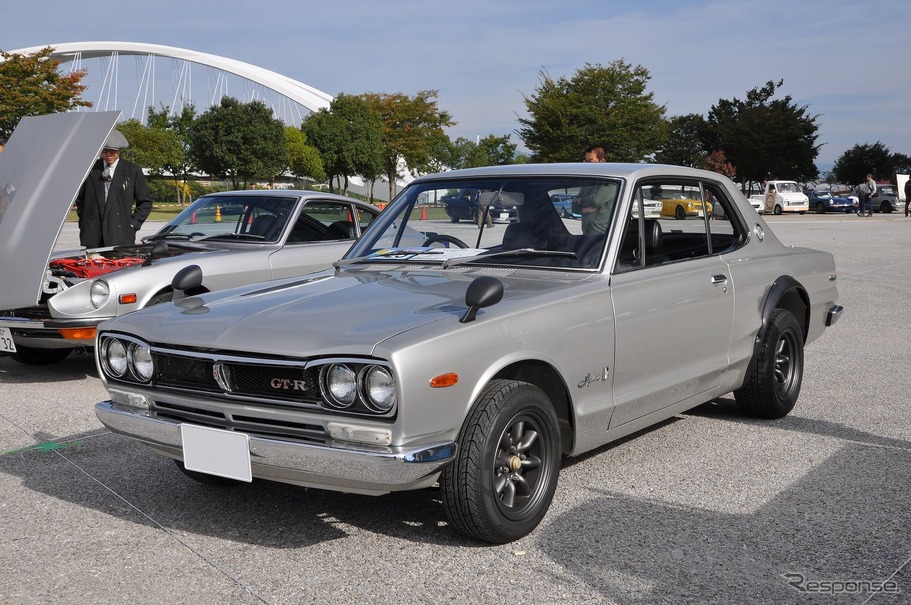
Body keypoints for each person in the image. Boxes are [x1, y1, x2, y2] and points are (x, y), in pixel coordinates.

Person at [75, 129, 152, 247]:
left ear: (120, 151)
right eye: (105, 150)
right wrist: (85, 222)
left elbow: (145, 202)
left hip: (121, 235)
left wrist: (133, 224)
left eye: (113, 151)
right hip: (93, 235)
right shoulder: (90, 169)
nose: (108, 154)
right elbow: (80, 200)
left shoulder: (133, 171)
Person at [575, 144, 614, 234]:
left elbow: (596, 200)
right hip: (586, 235)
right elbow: (573, 206)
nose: (587, 164)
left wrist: (580, 201)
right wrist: (583, 209)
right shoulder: (587, 182)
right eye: (586, 161)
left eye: (590, 161)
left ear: (602, 161)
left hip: (603, 238)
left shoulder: (610, 182)